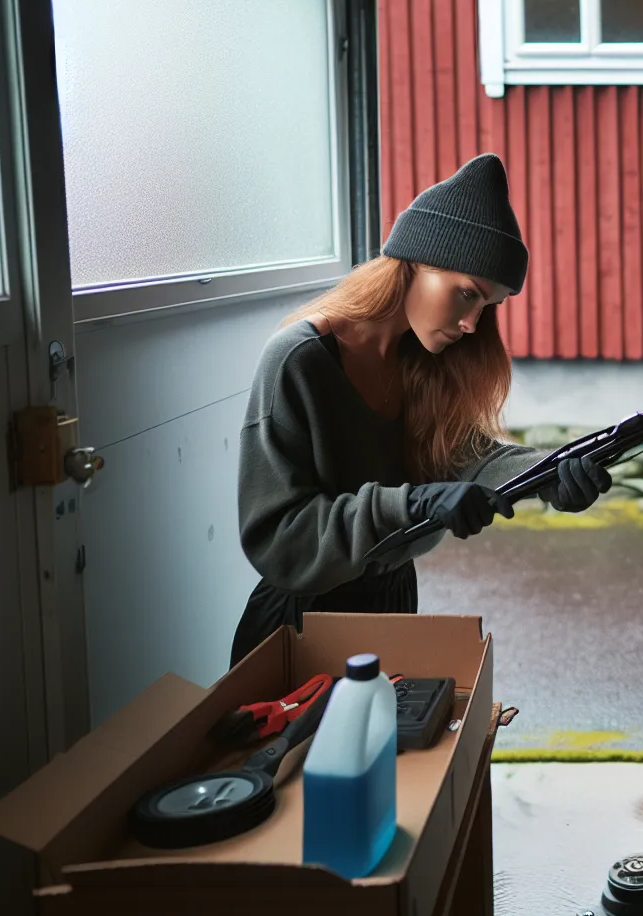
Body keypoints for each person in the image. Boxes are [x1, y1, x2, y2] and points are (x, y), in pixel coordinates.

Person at [231, 153, 609, 665]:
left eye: (488, 306)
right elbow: (281, 539)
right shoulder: (299, 361)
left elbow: (466, 456)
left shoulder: (425, 362)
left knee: (395, 747)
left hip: (391, 602)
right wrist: (412, 504)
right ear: (413, 261)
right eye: (467, 293)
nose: (474, 323)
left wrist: (550, 472)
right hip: (300, 622)